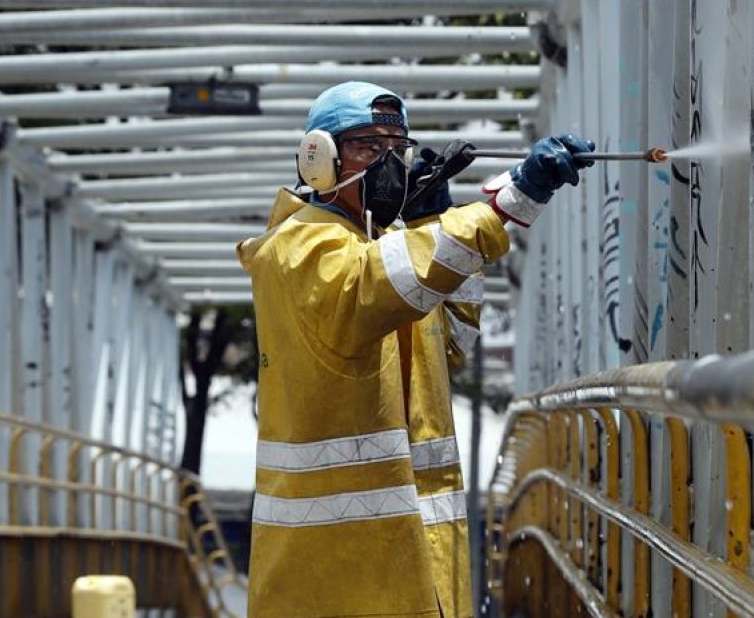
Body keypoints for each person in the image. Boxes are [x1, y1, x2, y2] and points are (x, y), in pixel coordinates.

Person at [237, 81, 594, 617]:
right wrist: (509, 201)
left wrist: (428, 222)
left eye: (395, 150)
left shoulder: (384, 248)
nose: (387, 164)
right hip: (333, 578)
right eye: (366, 147)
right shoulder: (297, 251)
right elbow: (377, 281)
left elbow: (452, 342)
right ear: (320, 159)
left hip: (413, 568)